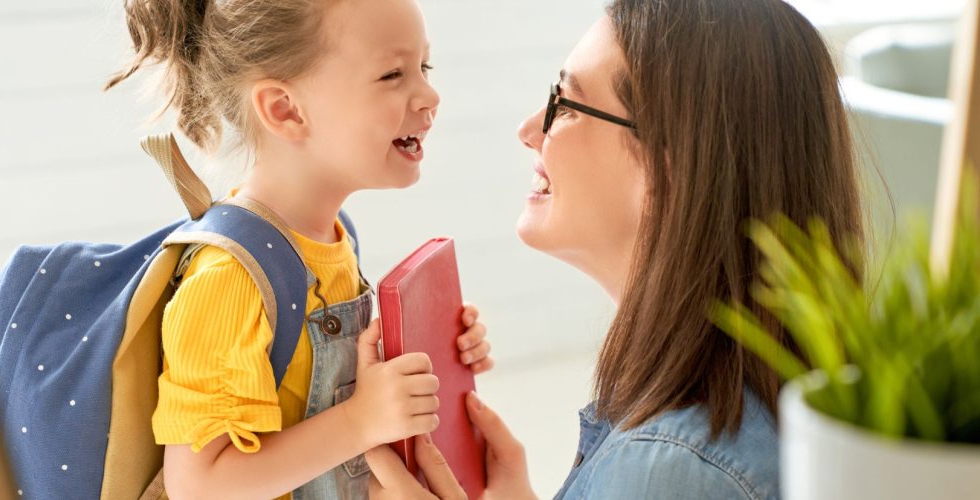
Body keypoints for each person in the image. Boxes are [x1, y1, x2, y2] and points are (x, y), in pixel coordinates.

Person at [367, 0, 865, 499]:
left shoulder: (669, 470)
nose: (528, 130)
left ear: (668, 170)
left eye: (564, 102)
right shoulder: (730, 415)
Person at [104, 0, 495, 498]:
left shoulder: (332, 235)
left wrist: (432, 359)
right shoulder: (229, 276)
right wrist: (361, 420)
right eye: (393, 74)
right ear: (285, 109)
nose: (429, 95)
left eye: (425, 66)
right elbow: (200, 486)